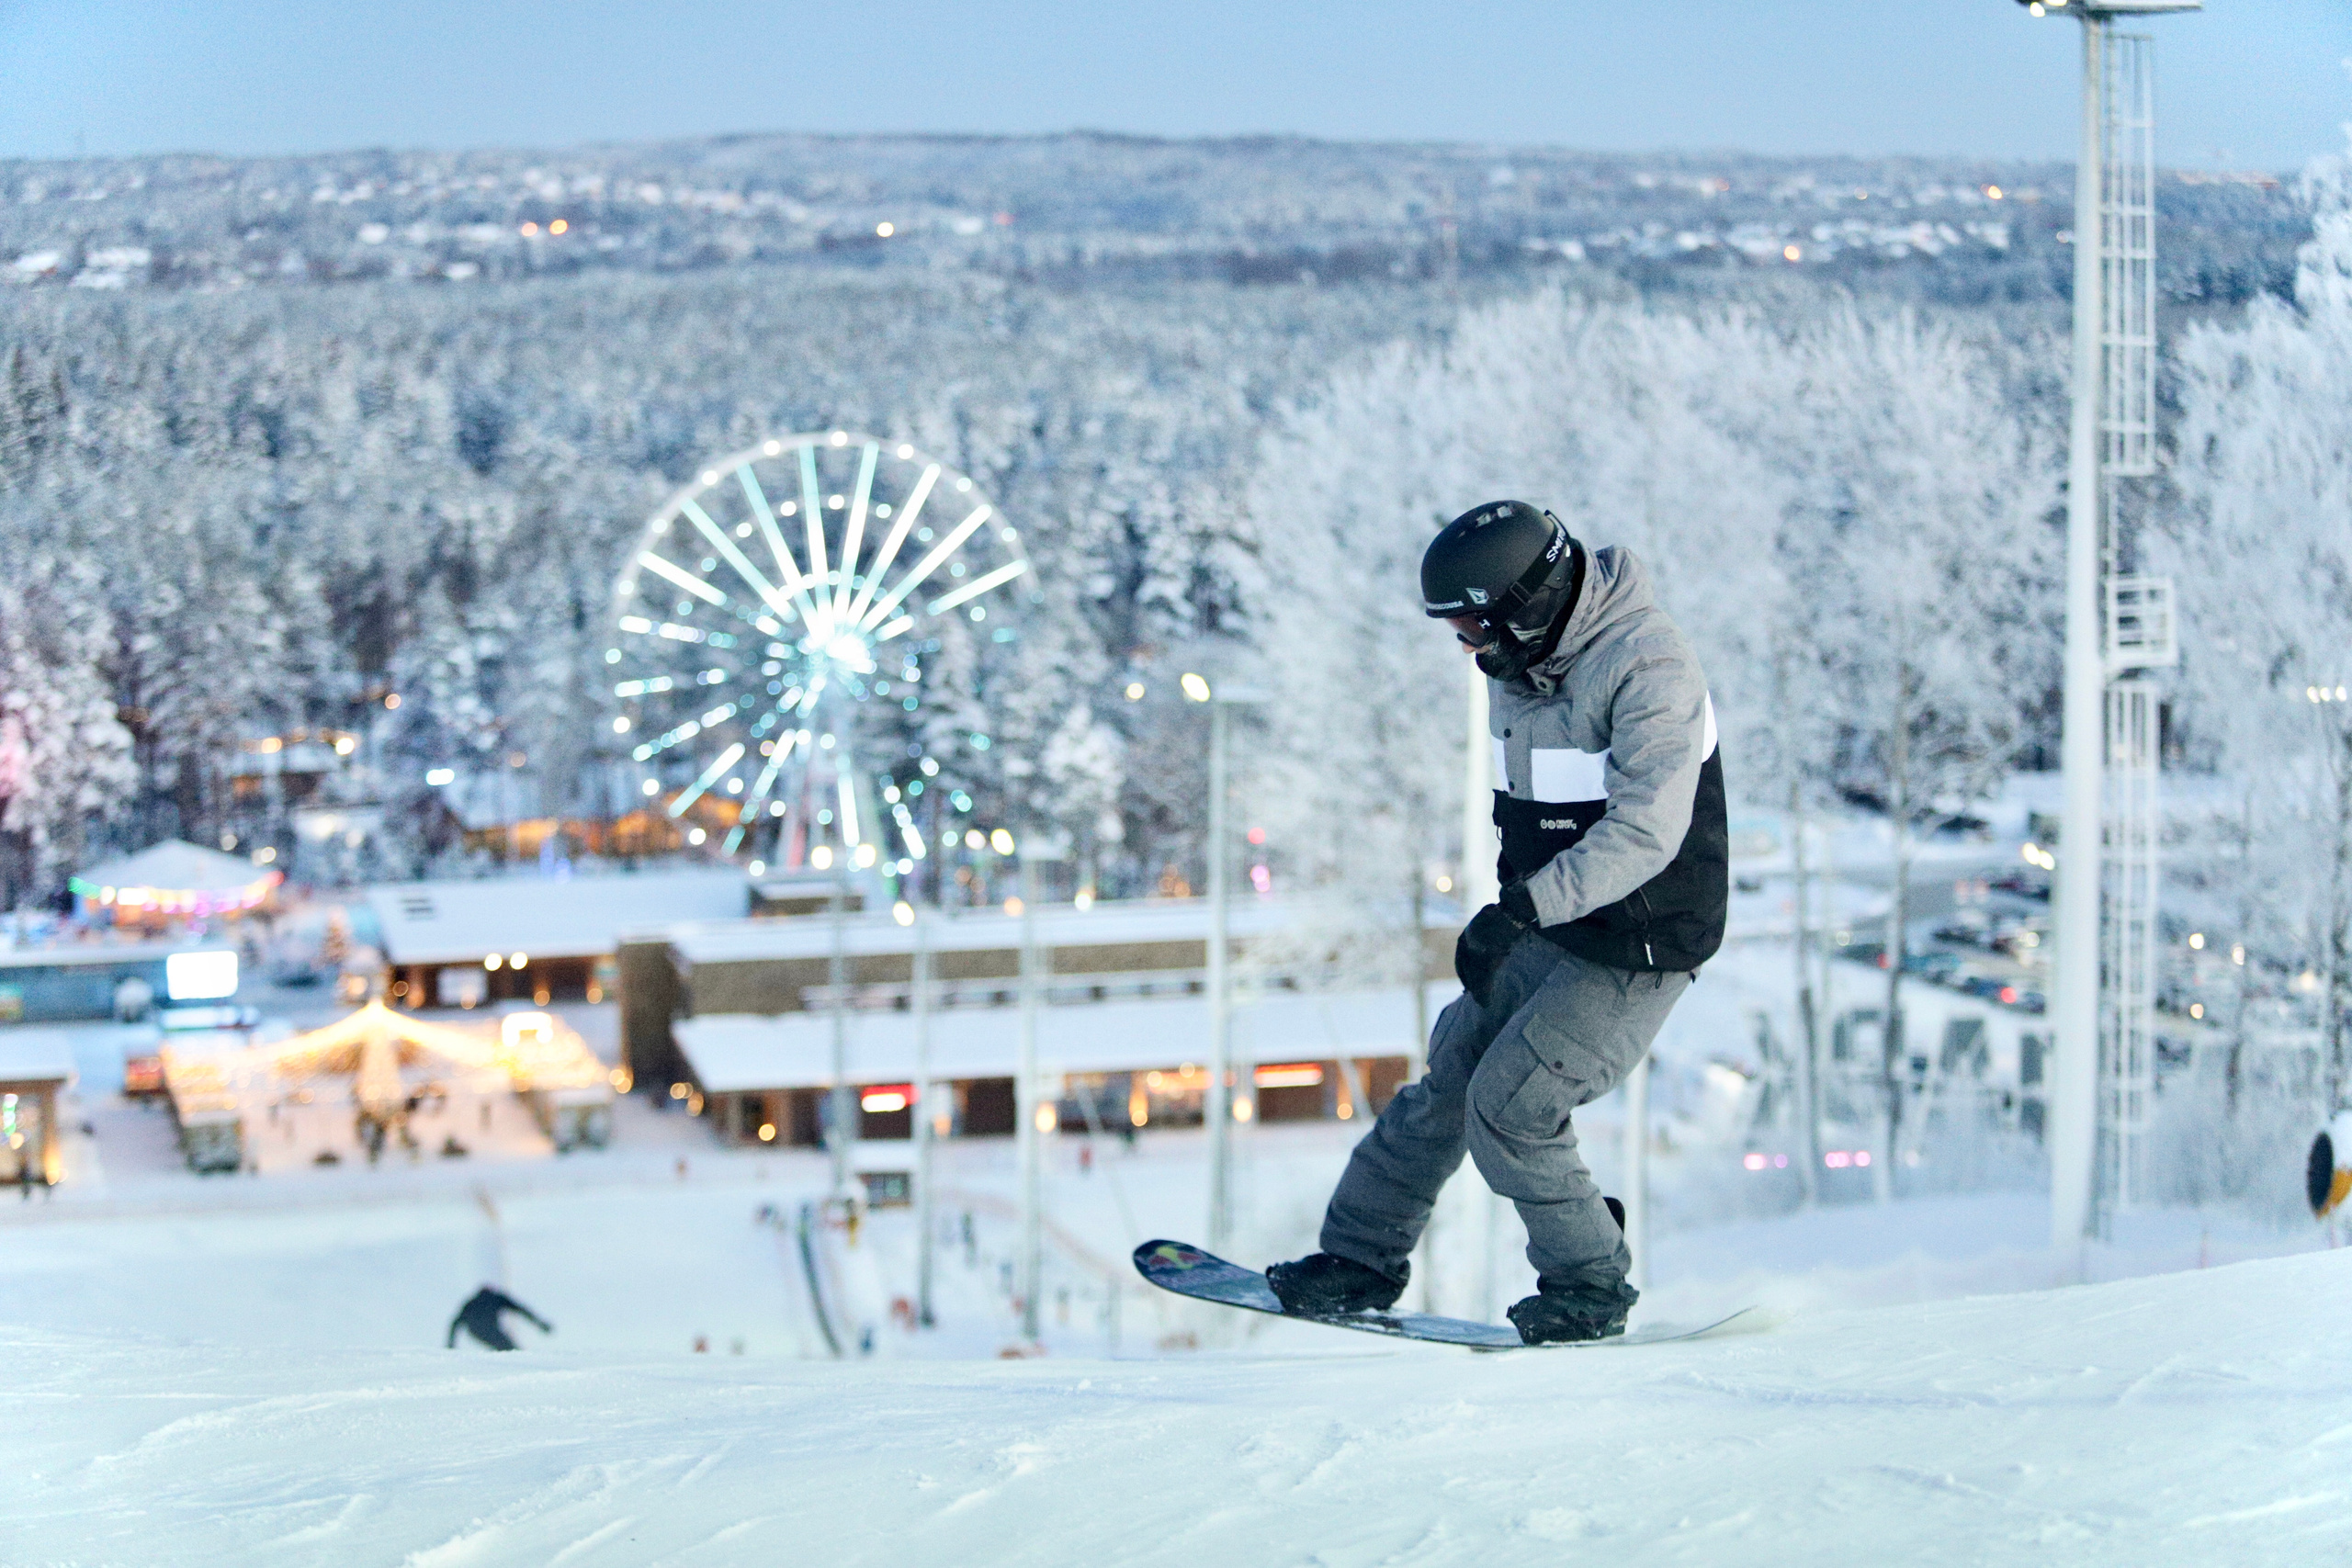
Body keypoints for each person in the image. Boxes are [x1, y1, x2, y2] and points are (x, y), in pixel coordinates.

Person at [1268, 500, 1727, 1343]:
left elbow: (1646, 831)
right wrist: (1515, 912)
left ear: (1529, 602)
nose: (1468, 647)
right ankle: (1361, 1257)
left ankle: (1590, 1280)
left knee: (1511, 1105)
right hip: (1556, 921)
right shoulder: (1524, 669)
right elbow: (1528, 809)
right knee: (1449, 1077)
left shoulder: (1650, 668)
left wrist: (1522, 908)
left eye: (1474, 625)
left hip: (1641, 938)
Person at [446, 1284, 553, 1350]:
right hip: (490, 1329)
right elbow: (521, 1309)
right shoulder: (496, 1298)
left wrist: (451, 1343)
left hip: (476, 1331)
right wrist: (540, 1324)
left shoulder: (471, 1302)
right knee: (510, 1350)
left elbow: (456, 1323)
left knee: (504, 1349)